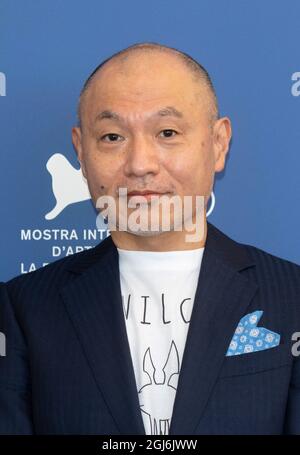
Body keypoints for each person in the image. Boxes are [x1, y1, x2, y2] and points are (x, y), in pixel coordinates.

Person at [0, 42, 299, 435]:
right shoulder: (25, 307)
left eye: (167, 132)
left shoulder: (292, 296)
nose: (140, 164)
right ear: (80, 151)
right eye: (111, 137)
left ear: (219, 143)